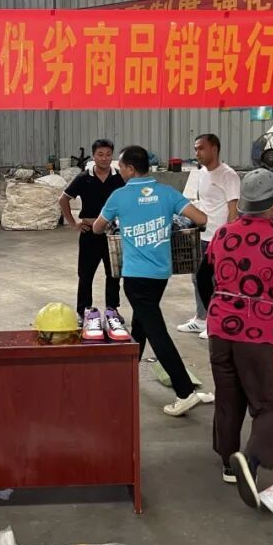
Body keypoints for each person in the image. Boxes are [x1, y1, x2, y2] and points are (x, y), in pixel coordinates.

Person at [196, 168, 273, 510]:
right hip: (259, 332)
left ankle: (229, 462)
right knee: (272, 403)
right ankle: (251, 461)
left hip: (220, 329)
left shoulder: (223, 233)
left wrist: (218, 307)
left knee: (229, 396)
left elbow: (202, 277)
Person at [93, 146, 214, 416]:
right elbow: (202, 219)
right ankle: (126, 375)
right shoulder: (167, 193)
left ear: (130, 168)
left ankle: (185, 392)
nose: (120, 172)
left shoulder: (119, 196)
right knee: (141, 325)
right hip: (160, 274)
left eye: (121, 167)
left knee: (157, 332)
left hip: (135, 277)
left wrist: (119, 220)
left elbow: (98, 227)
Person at [178, 134, 240, 339]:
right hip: (203, 234)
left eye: (201, 148)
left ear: (214, 149)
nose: (197, 153)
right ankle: (201, 318)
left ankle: (216, 322)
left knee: (215, 281)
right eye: (196, 149)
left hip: (219, 237)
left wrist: (229, 239)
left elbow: (233, 210)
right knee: (197, 278)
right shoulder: (202, 173)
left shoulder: (228, 175)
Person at [59, 139, 124, 331]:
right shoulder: (83, 178)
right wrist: (74, 223)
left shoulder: (119, 178)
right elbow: (63, 199)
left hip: (112, 234)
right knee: (85, 274)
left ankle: (112, 310)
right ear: (93, 156)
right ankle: (83, 311)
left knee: (113, 274)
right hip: (89, 233)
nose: (104, 158)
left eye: (108, 154)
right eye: (100, 154)